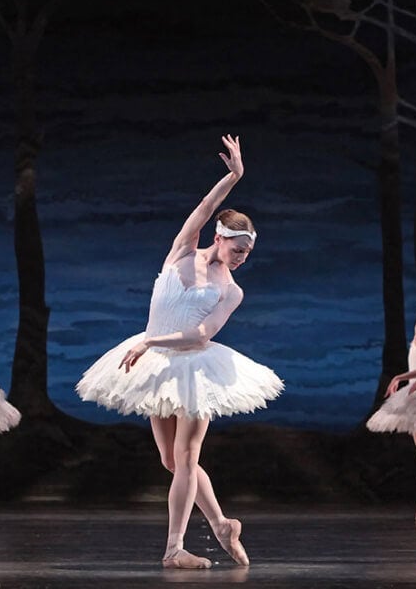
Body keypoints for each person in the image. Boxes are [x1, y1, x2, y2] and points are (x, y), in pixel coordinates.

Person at [77, 136, 282, 569]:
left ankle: (175, 547)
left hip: (194, 367)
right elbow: (205, 207)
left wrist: (150, 341)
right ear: (219, 238)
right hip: (158, 363)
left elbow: (201, 334)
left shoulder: (232, 290)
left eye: (248, 253)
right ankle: (224, 525)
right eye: (238, 249)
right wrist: (233, 177)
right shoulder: (182, 252)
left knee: (188, 456)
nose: (242, 258)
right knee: (171, 460)